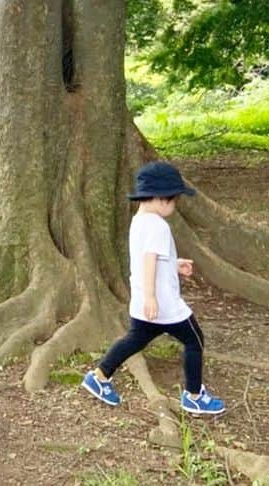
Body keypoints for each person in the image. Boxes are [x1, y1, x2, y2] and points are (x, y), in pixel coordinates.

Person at [81, 160, 226, 416]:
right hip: (163, 304)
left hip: (144, 302)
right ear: (161, 199)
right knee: (195, 340)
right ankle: (193, 396)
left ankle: (99, 376)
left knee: (134, 340)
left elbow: (150, 257)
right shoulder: (158, 226)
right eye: (174, 200)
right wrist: (151, 296)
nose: (174, 205)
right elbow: (149, 260)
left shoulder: (140, 220)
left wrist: (174, 264)